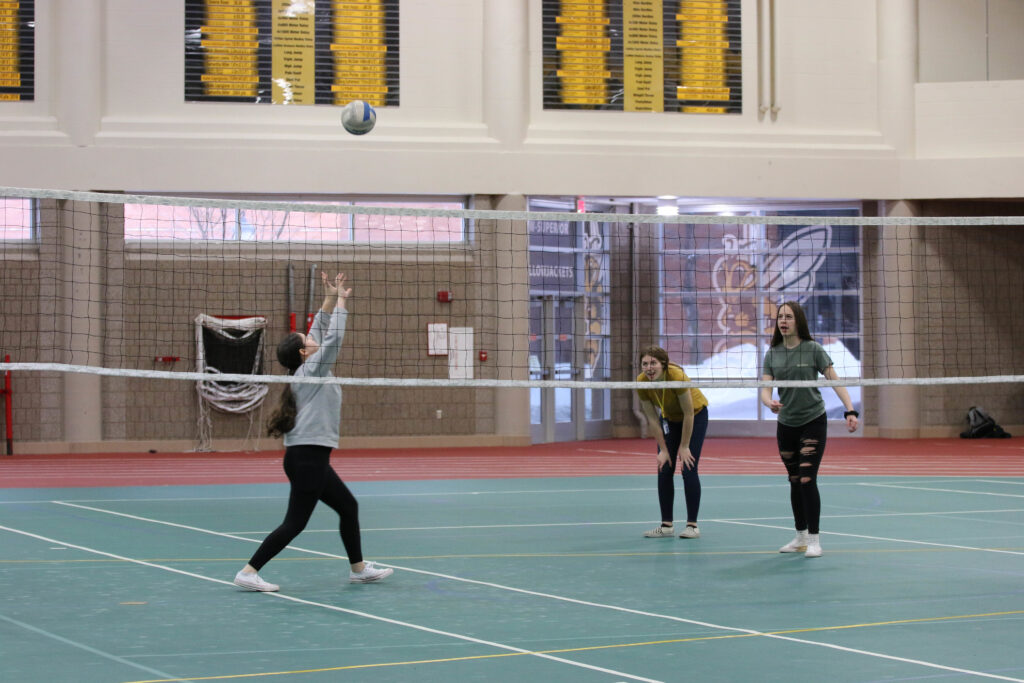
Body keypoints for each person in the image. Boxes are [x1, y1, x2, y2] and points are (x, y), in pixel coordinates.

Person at [233, 272, 393, 591]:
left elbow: (317, 330)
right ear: (304, 354)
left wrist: (331, 297)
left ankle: (358, 568)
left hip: (309, 456)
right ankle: (248, 572)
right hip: (307, 458)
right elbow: (331, 339)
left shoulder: (307, 367)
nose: (311, 338)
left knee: (348, 507)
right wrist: (344, 305)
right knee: (295, 523)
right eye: (307, 342)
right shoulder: (311, 370)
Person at [760, 301, 859, 559]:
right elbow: (765, 388)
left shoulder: (813, 349)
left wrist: (850, 409)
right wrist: (768, 402)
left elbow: (835, 380)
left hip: (813, 420)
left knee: (806, 478)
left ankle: (815, 539)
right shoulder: (773, 353)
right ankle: (800, 537)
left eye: (788, 317)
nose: (783, 321)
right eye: (780, 317)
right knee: (794, 480)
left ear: (798, 320)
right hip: (786, 424)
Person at [636, 345, 710, 539]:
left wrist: (684, 447)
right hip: (669, 420)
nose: (649, 368)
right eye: (645, 364)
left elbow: (688, 413)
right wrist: (663, 449)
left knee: (688, 466)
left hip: (694, 415)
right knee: (664, 467)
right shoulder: (641, 382)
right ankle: (666, 525)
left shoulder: (677, 377)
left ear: (663, 364)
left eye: (653, 363)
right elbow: (653, 419)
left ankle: (692, 526)